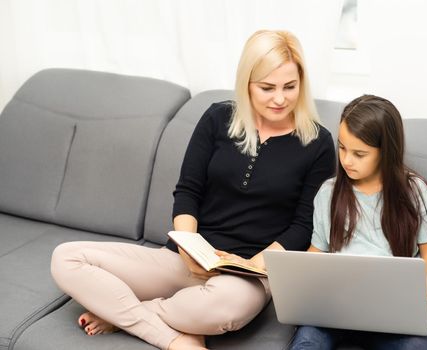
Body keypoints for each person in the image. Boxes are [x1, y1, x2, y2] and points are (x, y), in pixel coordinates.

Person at [50, 29, 335, 350]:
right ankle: (175, 339)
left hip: (249, 275)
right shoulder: (217, 117)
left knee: (225, 307)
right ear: (247, 84)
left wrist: (253, 266)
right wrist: (189, 249)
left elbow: (303, 226)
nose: (280, 98)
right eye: (267, 88)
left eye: (290, 87)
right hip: (186, 258)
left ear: (302, 83)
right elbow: (188, 192)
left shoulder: (319, 143)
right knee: (66, 258)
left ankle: (123, 314)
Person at [289, 95, 427, 350]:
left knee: (417, 346)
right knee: (307, 342)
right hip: (334, 311)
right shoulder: (328, 192)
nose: (347, 160)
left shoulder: (413, 191)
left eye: (359, 153)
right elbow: (316, 253)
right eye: (342, 148)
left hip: (393, 314)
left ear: (386, 152)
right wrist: (299, 288)